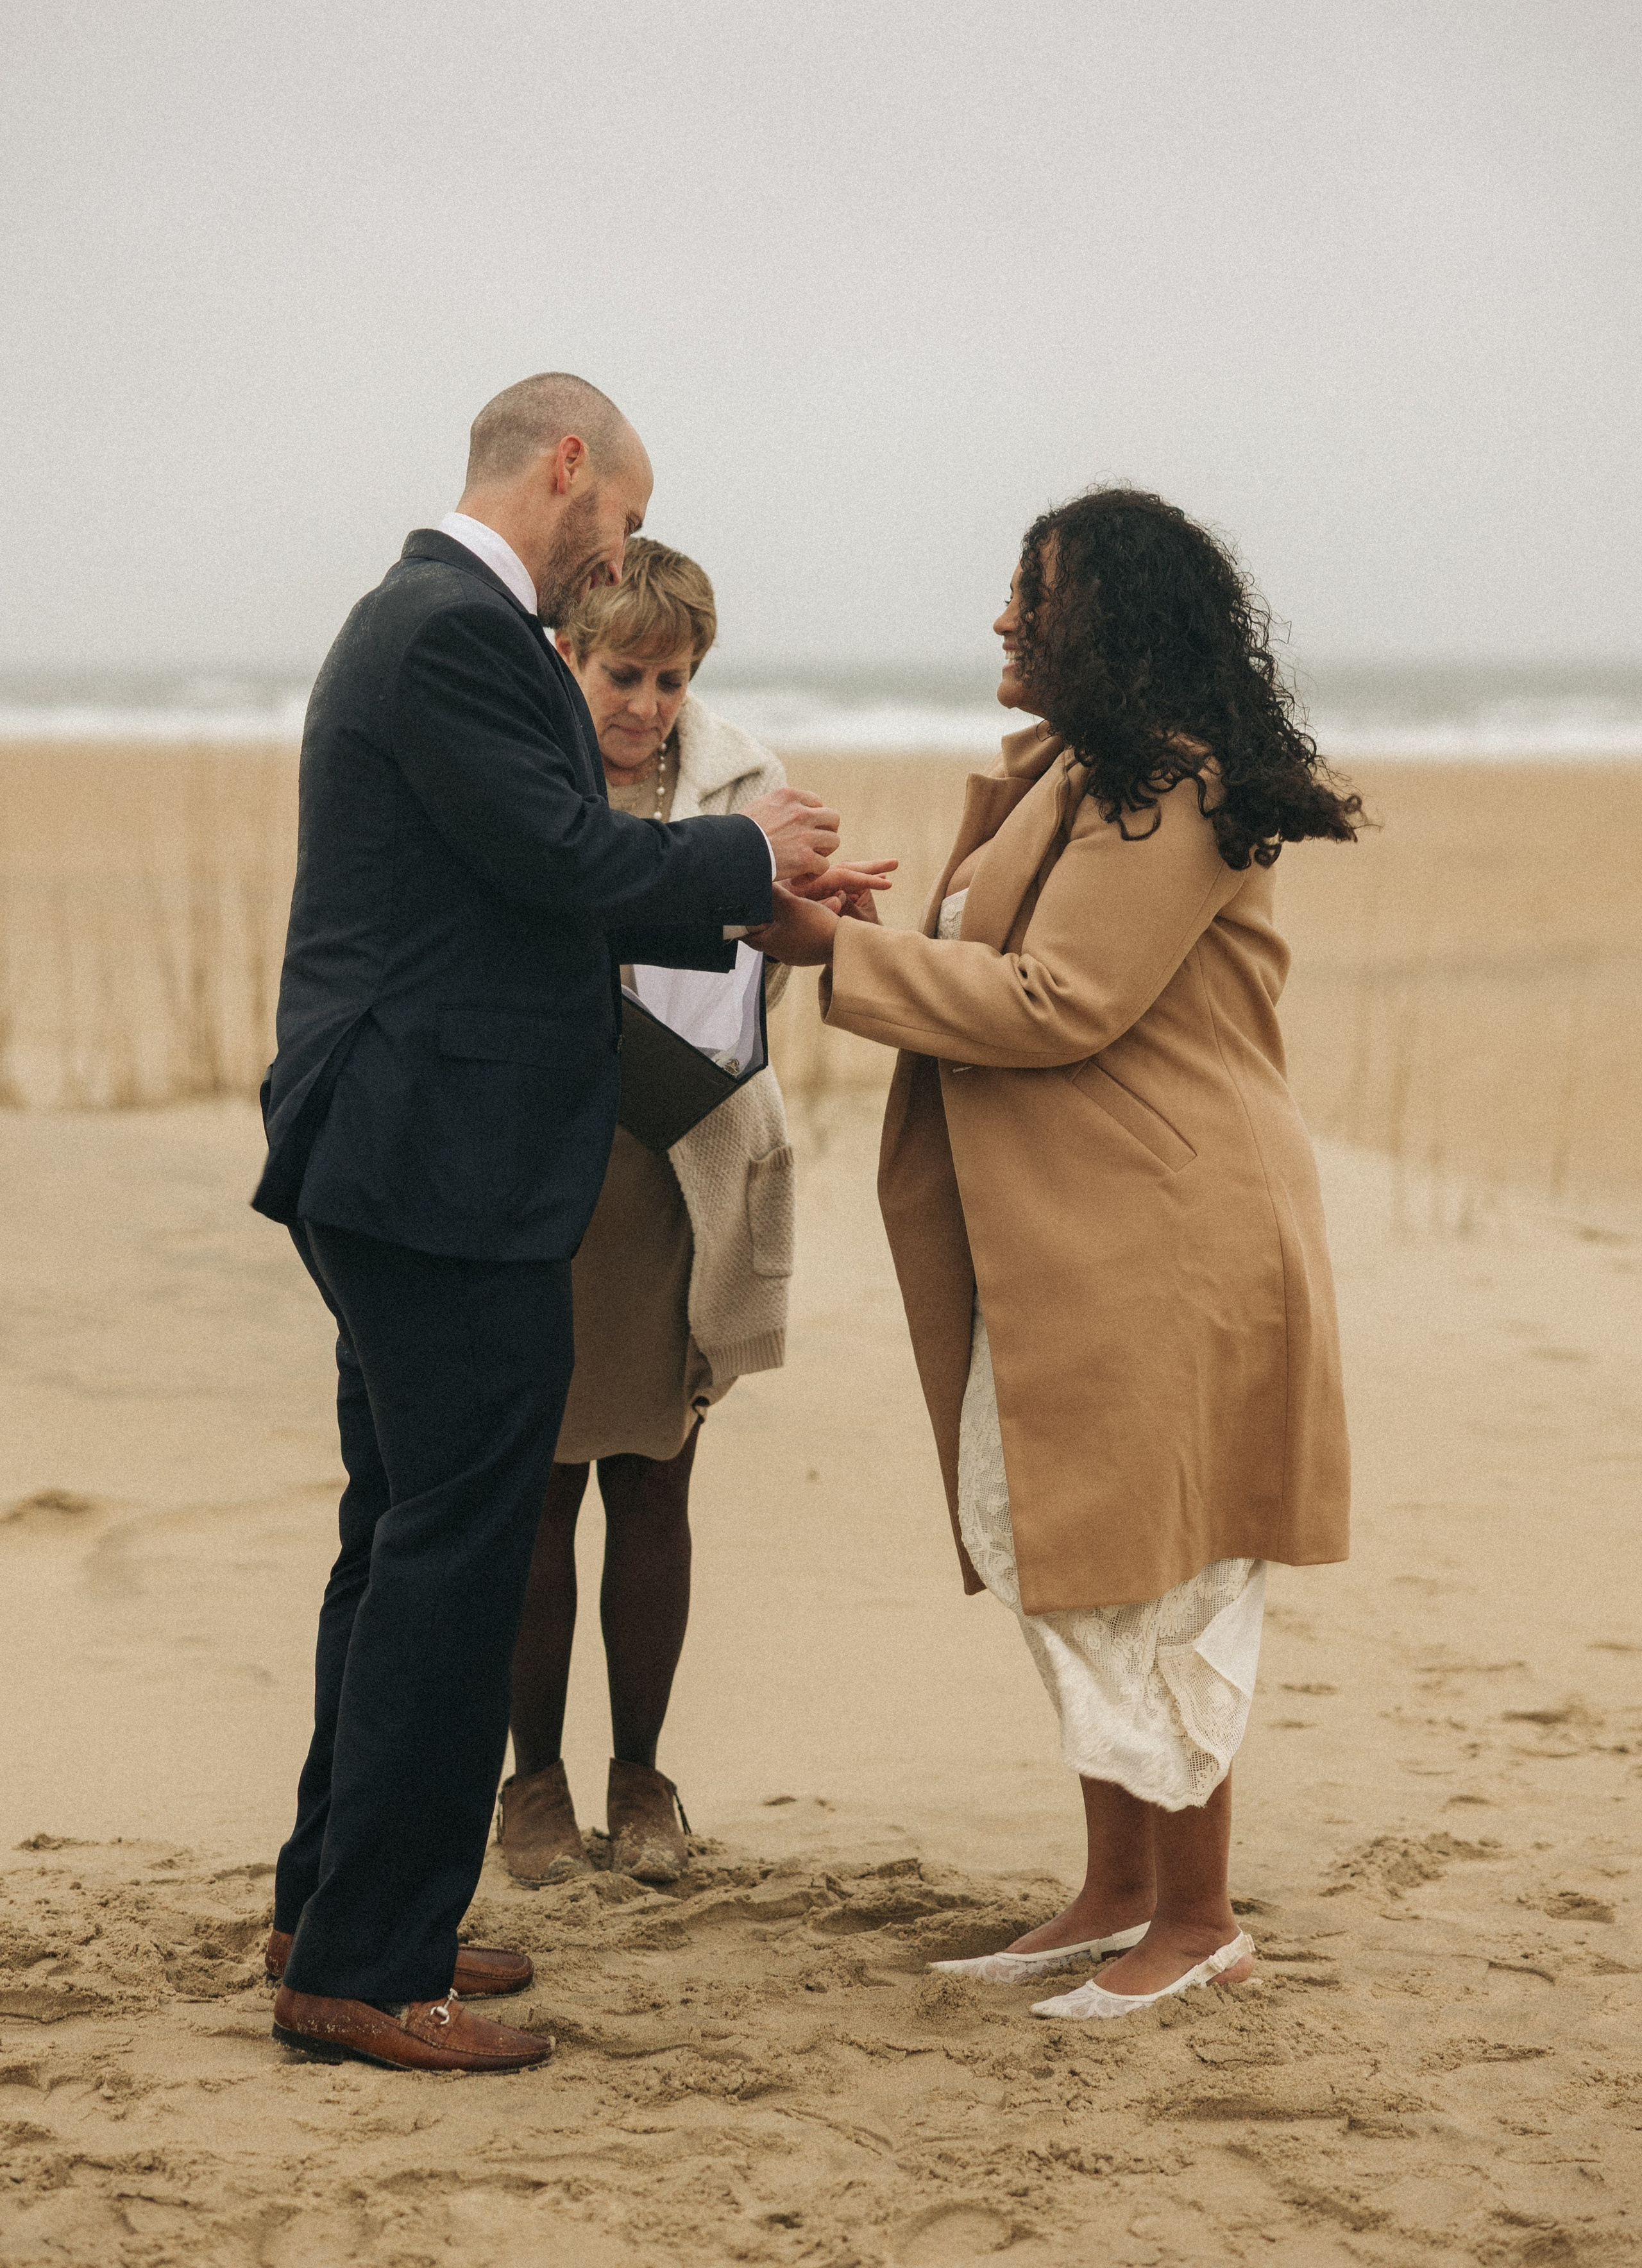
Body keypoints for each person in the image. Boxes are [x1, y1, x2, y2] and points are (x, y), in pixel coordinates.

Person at [252, 372, 848, 2074]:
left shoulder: (441, 620)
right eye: (626, 506)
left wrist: (750, 890)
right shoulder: (453, 627)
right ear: (567, 469)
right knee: (445, 1555)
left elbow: (532, 878)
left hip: (405, 1151)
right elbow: (565, 859)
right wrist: (749, 854)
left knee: (398, 1540)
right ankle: (367, 1966)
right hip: (433, 1162)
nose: (629, 541)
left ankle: (338, 1904)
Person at [749, 486, 1359, 2019]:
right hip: (1068, 1238)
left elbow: (1059, 1000)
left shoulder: (1177, 780)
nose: (1005, 616)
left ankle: (1198, 1914)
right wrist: (851, 921)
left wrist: (834, 957)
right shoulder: (1073, 775)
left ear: (1113, 621)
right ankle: (1114, 1889)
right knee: (1054, 1543)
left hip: (1169, 1231)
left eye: (1036, 592)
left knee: (1164, 1572)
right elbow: (998, 961)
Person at [500, 540, 849, 1886]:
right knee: (536, 1485)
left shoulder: (746, 778)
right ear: (565, 658)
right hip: (544, 1164)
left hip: (688, 1163)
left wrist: (807, 909)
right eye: (621, 672)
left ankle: (640, 1782)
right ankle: (531, 1788)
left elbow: (773, 956)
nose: (646, 703)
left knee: (656, 1475)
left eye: (670, 676)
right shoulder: (521, 771)